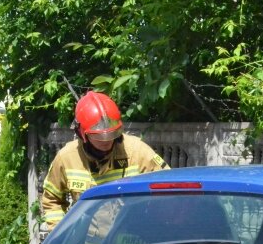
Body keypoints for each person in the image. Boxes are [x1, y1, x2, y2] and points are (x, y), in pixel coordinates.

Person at [41, 91, 169, 232]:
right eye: (99, 136)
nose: (107, 140)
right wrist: (62, 234)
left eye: (111, 134)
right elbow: (52, 200)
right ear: (82, 134)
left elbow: (169, 186)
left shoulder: (137, 151)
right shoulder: (67, 157)